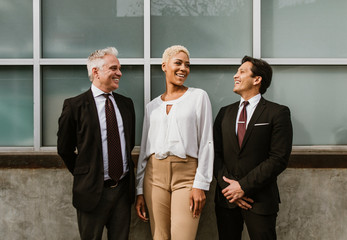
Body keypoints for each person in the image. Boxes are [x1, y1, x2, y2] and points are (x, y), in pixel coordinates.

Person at [135, 45, 214, 240]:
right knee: (159, 237)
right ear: (164, 66)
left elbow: (206, 142)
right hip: (154, 177)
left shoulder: (198, 97)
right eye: (178, 63)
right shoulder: (152, 106)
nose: (183, 68)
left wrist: (201, 184)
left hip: (187, 176)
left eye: (187, 65)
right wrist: (139, 190)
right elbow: (145, 148)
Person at [57, 47, 135, 240]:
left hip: (123, 192)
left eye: (119, 68)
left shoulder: (126, 104)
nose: (119, 73)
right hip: (92, 193)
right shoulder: (75, 106)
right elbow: (64, 149)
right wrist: (87, 173)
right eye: (114, 68)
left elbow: (129, 143)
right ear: (96, 72)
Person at [213, 56, 293, 240]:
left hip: (260, 199)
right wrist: (230, 189)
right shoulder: (224, 113)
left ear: (257, 80)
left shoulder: (278, 113)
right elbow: (215, 154)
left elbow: (278, 158)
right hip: (227, 200)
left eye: (242, 71)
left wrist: (243, 186)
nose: (235, 75)